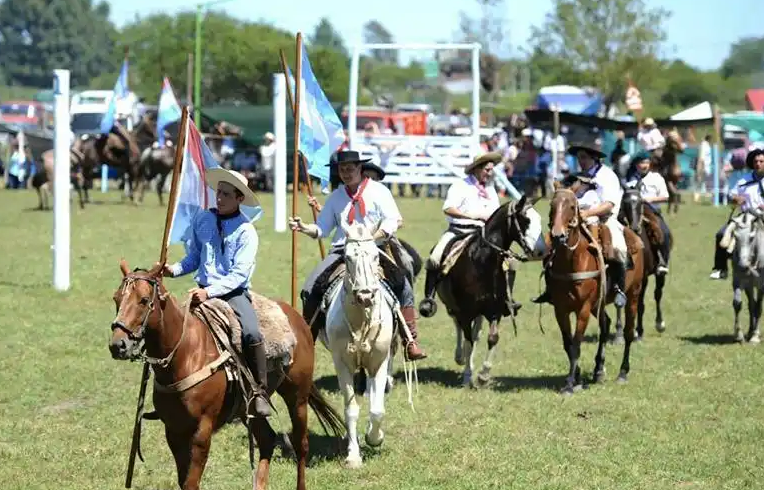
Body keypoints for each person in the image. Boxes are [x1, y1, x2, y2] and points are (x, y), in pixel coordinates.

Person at [289, 149, 427, 361]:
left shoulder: (380, 191)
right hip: (342, 250)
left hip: (375, 248)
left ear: (360, 169)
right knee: (310, 288)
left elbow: (392, 220)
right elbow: (322, 229)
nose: (346, 173)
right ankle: (308, 342)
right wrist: (303, 227)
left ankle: (410, 340)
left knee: (403, 286)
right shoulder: (336, 197)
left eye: (350, 169)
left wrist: (372, 238)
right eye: (342, 169)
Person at [162, 169, 273, 417]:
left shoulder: (246, 231)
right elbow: (194, 258)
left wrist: (210, 292)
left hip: (232, 293)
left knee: (252, 331)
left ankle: (259, 391)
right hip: (201, 290)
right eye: (218, 193)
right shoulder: (203, 220)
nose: (219, 198)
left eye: (225, 194)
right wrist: (173, 270)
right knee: (170, 329)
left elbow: (239, 275)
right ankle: (170, 388)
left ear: (239, 198)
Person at [534, 139, 629, 307]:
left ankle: (618, 289)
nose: (581, 161)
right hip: (575, 219)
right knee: (550, 244)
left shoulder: (607, 175)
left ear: (595, 158)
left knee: (619, 247)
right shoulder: (576, 176)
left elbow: (609, 204)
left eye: (584, 157)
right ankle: (551, 289)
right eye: (579, 157)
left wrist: (588, 213)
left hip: (604, 219)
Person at [422, 151, 520, 310]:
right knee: (434, 257)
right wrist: (472, 216)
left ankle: (507, 298)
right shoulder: (460, 185)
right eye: (487, 170)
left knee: (512, 262)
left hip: (483, 234)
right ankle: (429, 299)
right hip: (458, 231)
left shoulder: (490, 189)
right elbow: (448, 208)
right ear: (476, 169)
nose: (490, 173)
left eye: (491, 170)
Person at [710, 148, 764, 283]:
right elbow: (732, 196)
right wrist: (736, 199)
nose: (758, 164)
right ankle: (720, 269)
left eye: (761, 161)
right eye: (755, 161)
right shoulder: (744, 180)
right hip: (745, 215)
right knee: (721, 234)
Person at [625, 154, 670, 274]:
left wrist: (650, 199)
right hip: (633, 212)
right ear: (636, 165)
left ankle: (662, 260)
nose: (644, 166)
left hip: (651, 212)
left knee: (664, 232)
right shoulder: (630, 179)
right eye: (641, 163)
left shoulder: (656, 178)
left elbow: (665, 196)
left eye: (646, 162)